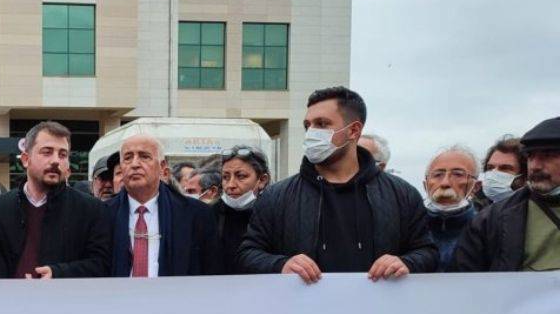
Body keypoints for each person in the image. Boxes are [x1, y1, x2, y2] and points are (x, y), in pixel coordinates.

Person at [237, 87, 438, 281]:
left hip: (378, 312)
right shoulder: (276, 196)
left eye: (322, 124)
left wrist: (406, 263)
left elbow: (427, 252)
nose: (311, 133)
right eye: (308, 125)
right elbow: (248, 254)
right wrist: (280, 265)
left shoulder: (401, 195)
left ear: (354, 130)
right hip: (302, 312)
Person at [0, 121, 110, 278]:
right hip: (10, 300)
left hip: (65, 300)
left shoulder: (91, 210)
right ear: (25, 159)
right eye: (47, 152)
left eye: (63, 154)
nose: (56, 160)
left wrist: (58, 273)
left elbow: (101, 264)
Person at [105, 134, 222, 277]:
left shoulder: (195, 214)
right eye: (128, 158)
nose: (135, 164)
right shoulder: (103, 214)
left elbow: (211, 271)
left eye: (144, 156)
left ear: (162, 167)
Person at [452, 117, 560, 272]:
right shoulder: (489, 221)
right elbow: (464, 283)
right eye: (530, 156)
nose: (535, 166)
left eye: (548, 155)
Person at [420, 146, 479, 271]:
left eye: (458, 174)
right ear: (425, 185)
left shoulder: (487, 229)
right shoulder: (408, 227)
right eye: (437, 175)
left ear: (476, 187)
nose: (445, 183)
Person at [214, 146, 271, 274]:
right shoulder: (209, 215)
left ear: (262, 180)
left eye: (241, 176)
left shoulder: (275, 216)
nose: (231, 185)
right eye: (225, 177)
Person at [473, 136, 528, 210]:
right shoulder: (477, 212)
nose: (494, 173)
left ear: (524, 177)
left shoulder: (536, 213)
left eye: (505, 168)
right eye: (490, 168)